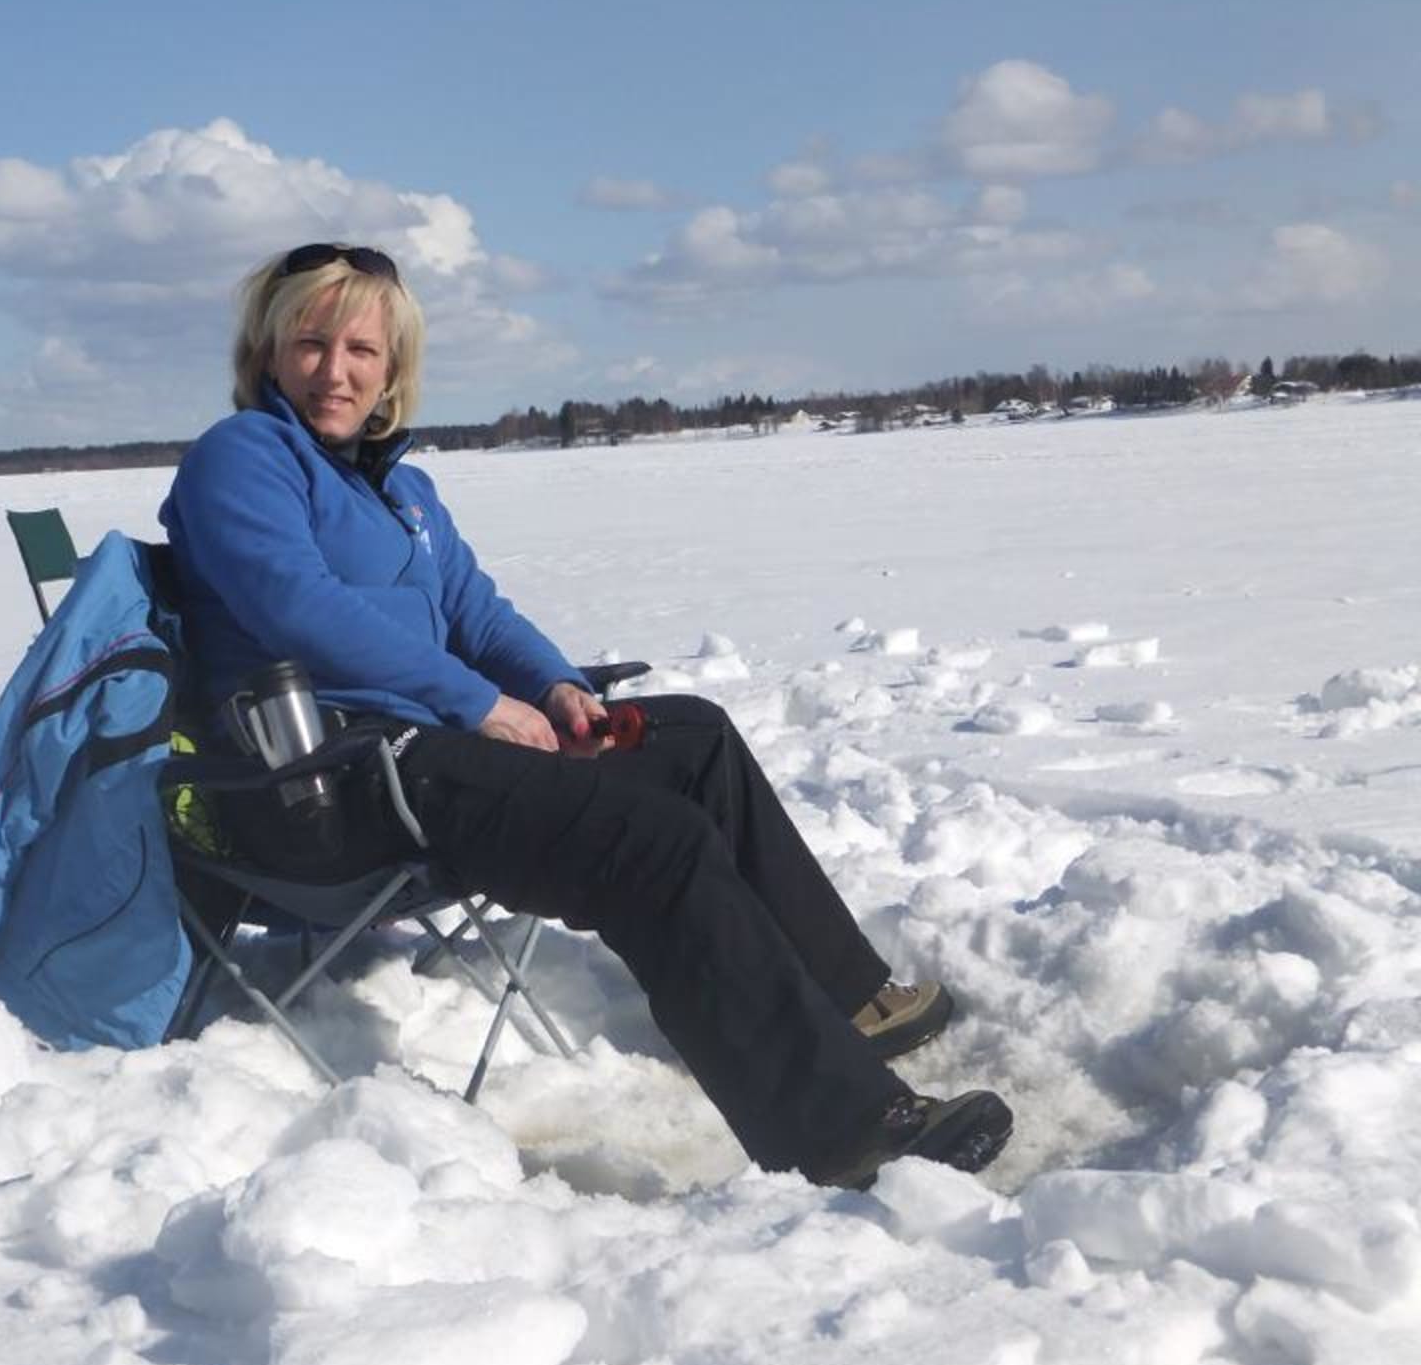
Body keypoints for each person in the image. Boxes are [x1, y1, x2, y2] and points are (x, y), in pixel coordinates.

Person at [160, 243, 1013, 1188]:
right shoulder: (243, 458)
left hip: (427, 757)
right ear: (268, 353)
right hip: (328, 782)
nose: (336, 370)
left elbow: (474, 611)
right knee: (648, 838)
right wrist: (479, 704)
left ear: (392, 367)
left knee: (690, 741)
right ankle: (847, 1130)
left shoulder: (401, 488)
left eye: (362, 349)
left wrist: (561, 689)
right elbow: (296, 608)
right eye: (311, 344)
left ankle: (843, 1000)